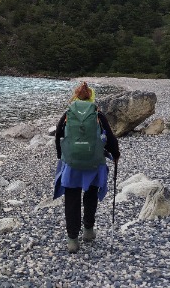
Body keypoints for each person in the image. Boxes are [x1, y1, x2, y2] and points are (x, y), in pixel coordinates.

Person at [54, 82, 120, 253]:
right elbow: (111, 138)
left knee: (72, 199)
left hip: (72, 164)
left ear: (76, 96)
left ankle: (72, 241)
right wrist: (116, 155)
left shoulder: (68, 113)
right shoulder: (97, 113)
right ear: (92, 97)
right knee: (90, 195)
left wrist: (61, 156)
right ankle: (88, 231)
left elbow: (58, 134)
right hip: (93, 163)